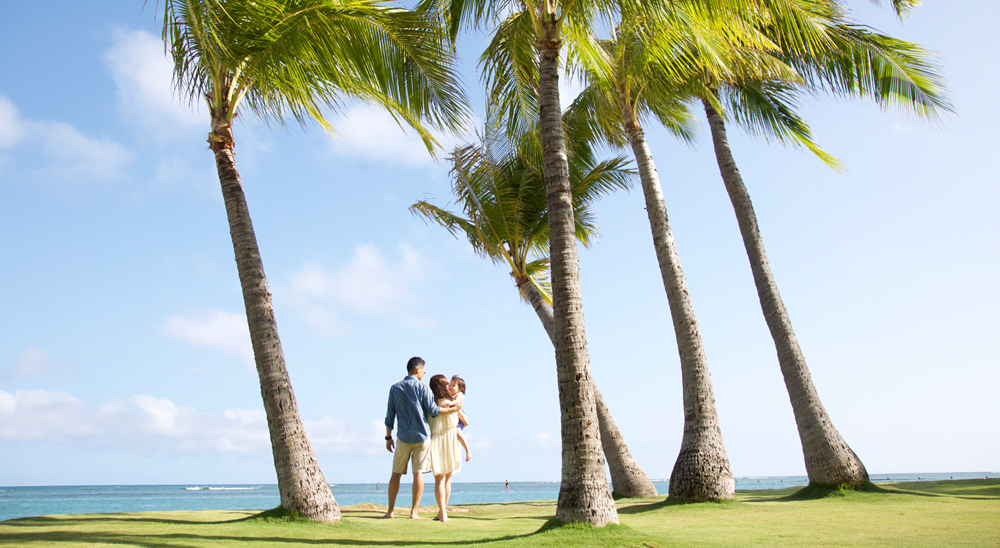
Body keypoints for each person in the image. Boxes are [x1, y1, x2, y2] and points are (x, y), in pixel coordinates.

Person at [383, 357, 461, 519]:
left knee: (395, 473)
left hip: (403, 436)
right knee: (418, 473)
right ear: (417, 370)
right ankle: (414, 512)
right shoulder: (423, 388)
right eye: (424, 370)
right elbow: (433, 411)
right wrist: (453, 409)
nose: (425, 373)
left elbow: (390, 415)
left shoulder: (395, 388)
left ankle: (390, 511)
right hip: (422, 437)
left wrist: (388, 437)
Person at [427, 374, 462, 522]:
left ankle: (442, 512)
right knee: (446, 478)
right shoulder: (451, 403)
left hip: (437, 438)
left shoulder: (431, 404)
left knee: (440, 479)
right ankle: (443, 512)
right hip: (449, 438)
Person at [449, 376, 472, 462]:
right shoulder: (448, 394)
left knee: (458, 433)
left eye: (453, 385)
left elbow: (457, 402)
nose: (450, 387)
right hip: (454, 414)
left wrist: (450, 404)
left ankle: (467, 450)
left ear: (460, 389)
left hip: (458, 416)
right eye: (449, 384)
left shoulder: (459, 395)